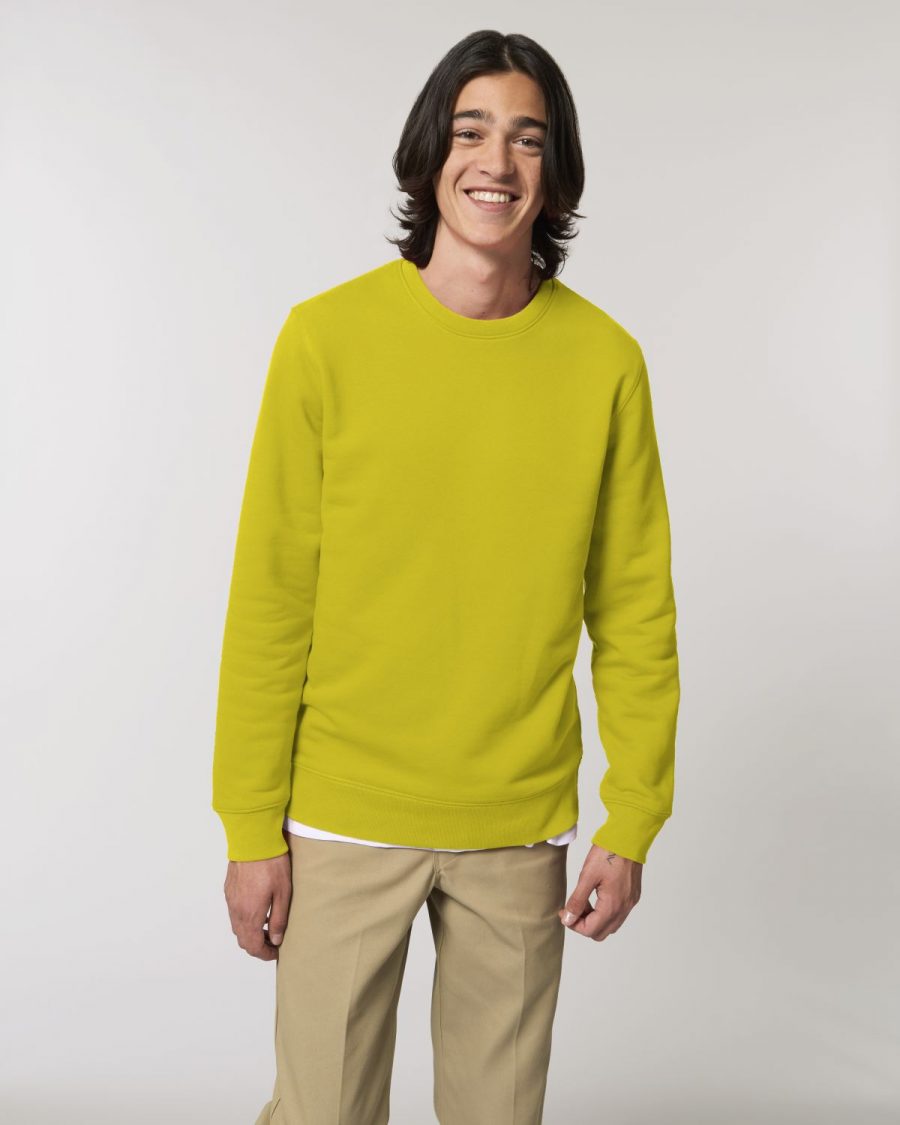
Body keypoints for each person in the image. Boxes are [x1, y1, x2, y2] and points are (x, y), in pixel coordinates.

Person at [212, 28, 680, 1125]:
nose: (496, 162)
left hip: (516, 826)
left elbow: (635, 610)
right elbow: (270, 600)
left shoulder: (605, 363)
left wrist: (633, 817)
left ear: (555, 173)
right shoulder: (325, 340)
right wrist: (249, 825)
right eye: (471, 132)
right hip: (341, 817)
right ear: (430, 154)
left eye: (528, 139)